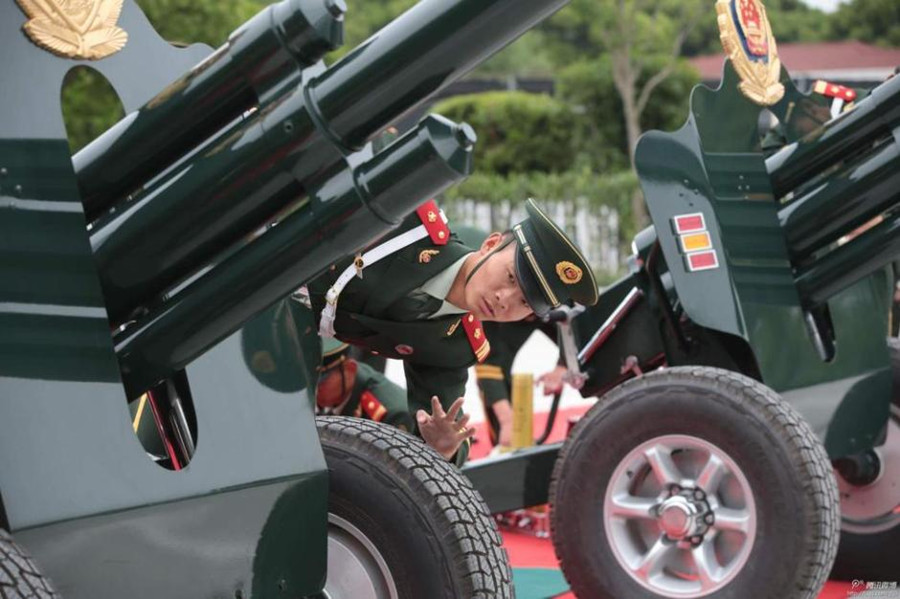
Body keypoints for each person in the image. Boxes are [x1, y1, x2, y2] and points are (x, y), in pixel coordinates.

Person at [306, 198, 598, 462]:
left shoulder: (455, 345)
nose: (504, 299)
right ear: (490, 244)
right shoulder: (411, 224)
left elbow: (447, 428)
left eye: (524, 302)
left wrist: (443, 447)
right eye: (510, 277)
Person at [315, 338, 414, 432]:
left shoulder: (390, 415)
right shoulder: (332, 395)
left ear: (350, 369)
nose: (314, 390)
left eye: (321, 382)